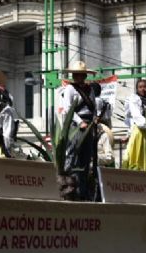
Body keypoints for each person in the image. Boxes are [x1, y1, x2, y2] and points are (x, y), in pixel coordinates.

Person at [60, 60, 109, 201]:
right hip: (77, 125)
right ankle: (71, 186)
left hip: (89, 125)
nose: (78, 77)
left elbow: (93, 107)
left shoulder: (90, 90)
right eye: (76, 75)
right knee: (73, 154)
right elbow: (68, 108)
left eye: (81, 75)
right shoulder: (70, 89)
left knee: (86, 158)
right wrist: (80, 122)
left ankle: (83, 190)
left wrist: (94, 119)